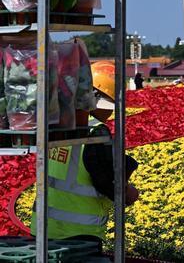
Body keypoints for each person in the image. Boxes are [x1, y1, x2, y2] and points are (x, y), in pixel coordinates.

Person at [30, 61, 139, 251]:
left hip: (42, 228)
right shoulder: (95, 133)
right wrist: (130, 193)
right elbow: (109, 182)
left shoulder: (58, 123)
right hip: (78, 235)